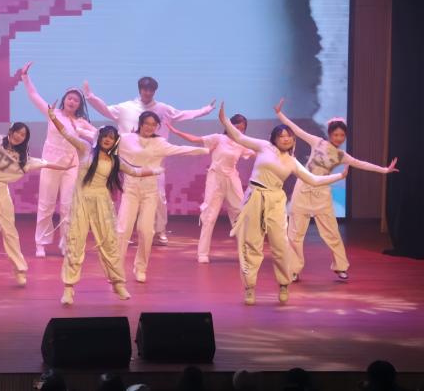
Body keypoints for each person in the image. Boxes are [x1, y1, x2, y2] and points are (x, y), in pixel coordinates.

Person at [219, 104, 347, 305]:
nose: (286, 138)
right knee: (252, 245)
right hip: (255, 197)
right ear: (274, 138)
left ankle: (284, 284)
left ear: (293, 140)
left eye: (289, 136)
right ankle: (250, 287)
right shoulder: (264, 147)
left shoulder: (292, 162)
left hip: (276, 201)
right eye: (282, 135)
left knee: (280, 246)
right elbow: (239, 137)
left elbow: (313, 179)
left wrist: (339, 176)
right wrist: (224, 120)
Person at [275, 99, 398, 281]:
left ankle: (340, 267)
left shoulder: (342, 155)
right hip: (303, 190)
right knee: (295, 233)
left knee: (332, 233)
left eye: (342, 135)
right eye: (336, 134)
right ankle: (294, 269)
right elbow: (297, 131)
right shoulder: (317, 142)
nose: (339, 138)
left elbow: (362, 164)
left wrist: (385, 170)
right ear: (330, 134)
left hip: (322, 193)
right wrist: (280, 114)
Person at [0, 86, 70, 287]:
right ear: (10, 131)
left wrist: (64, 166)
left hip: (0, 191)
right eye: (17, 132)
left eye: (23, 135)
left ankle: (19, 269)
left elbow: (44, 163)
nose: (19, 136)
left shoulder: (23, 159)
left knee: (9, 231)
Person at [84, 77, 215, 245]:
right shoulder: (125, 108)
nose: (148, 92)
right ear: (140, 90)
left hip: (155, 163)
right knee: (128, 198)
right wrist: (90, 96)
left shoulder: (163, 109)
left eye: (151, 90)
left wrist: (205, 110)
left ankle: (160, 231)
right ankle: (125, 232)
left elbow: (183, 114)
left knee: (159, 197)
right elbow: (104, 109)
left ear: (154, 91)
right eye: (145, 89)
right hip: (130, 163)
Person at [53, 114, 162, 303]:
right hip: (81, 201)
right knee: (75, 243)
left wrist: (154, 170)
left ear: (115, 141)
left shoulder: (115, 161)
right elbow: (67, 134)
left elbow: (135, 171)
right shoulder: (86, 149)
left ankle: (118, 283)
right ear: (100, 137)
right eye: (105, 136)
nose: (108, 139)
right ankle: (68, 288)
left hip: (101, 202)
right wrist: (53, 117)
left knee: (109, 243)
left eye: (111, 137)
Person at [116, 111, 208, 283]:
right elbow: (104, 141)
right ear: (140, 123)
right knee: (123, 229)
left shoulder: (160, 143)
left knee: (146, 231)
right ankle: (116, 269)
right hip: (131, 190)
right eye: (147, 123)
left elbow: (181, 150)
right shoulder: (126, 139)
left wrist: (205, 149)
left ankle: (140, 268)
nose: (150, 127)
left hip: (150, 192)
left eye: (154, 124)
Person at [19, 63, 96, 258]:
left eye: (76, 100)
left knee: (68, 206)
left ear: (79, 105)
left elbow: (99, 136)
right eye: (70, 98)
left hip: (71, 166)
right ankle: (41, 244)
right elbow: (34, 95)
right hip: (50, 164)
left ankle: (66, 243)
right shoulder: (53, 113)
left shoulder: (81, 122)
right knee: (46, 204)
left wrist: (82, 131)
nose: (72, 102)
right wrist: (25, 77)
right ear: (65, 99)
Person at [168, 115, 254, 263]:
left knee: (239, 214)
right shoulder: (219, 138)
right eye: (237, 127)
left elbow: (257, 153)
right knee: (209, 215)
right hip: (215, 178)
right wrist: (176, 132)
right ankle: (203, 253)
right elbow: (196, 139)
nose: (239, 131)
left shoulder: (242, 143)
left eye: (242, 129)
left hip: (232, 179)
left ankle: (244, 253)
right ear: (229, 126)